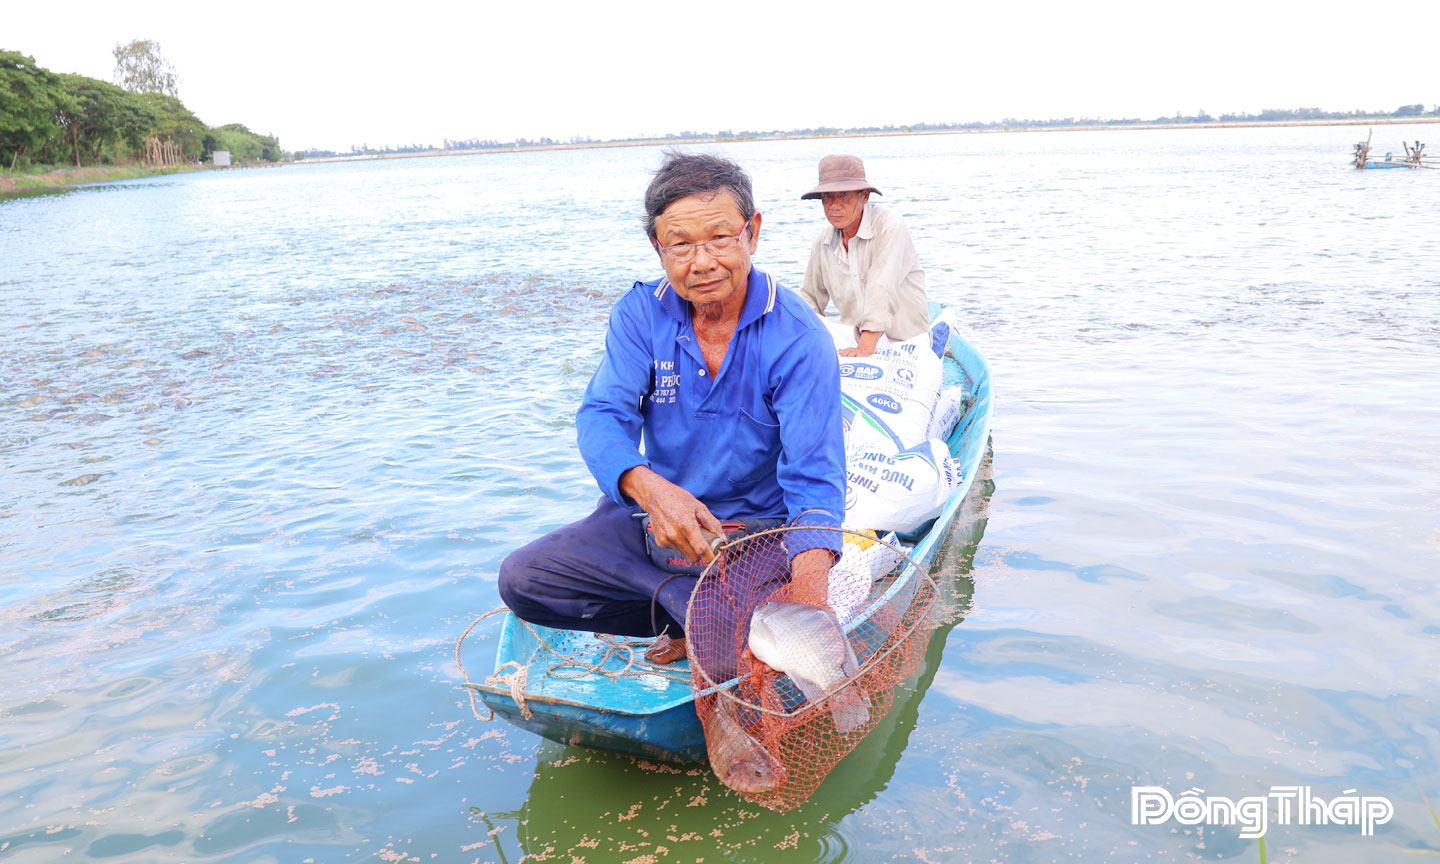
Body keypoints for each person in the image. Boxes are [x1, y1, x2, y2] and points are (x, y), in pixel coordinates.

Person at [498, 151, 845, 665]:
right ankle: (687, 606)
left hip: (753, 536)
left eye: (720, 238)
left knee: (731, 654)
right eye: (680, 244)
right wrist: (651, 490)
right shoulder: (641, 313)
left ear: (752, 232)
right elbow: (603, 416)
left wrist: (812, 604)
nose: (701, 262)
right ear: (658, 247)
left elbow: (814, 480)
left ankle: (702, 617)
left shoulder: (798, 337)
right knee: (525, 580)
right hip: (653, 522)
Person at [798, 154, 929, 358]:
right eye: (827, 197)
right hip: (853, 338)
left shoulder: (889, 225)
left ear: (864, 196)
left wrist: (865, 349)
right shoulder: (822, 243)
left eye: (843, 194)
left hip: (903, 342)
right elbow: (809, 298)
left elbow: (881, 287)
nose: (834, 205)